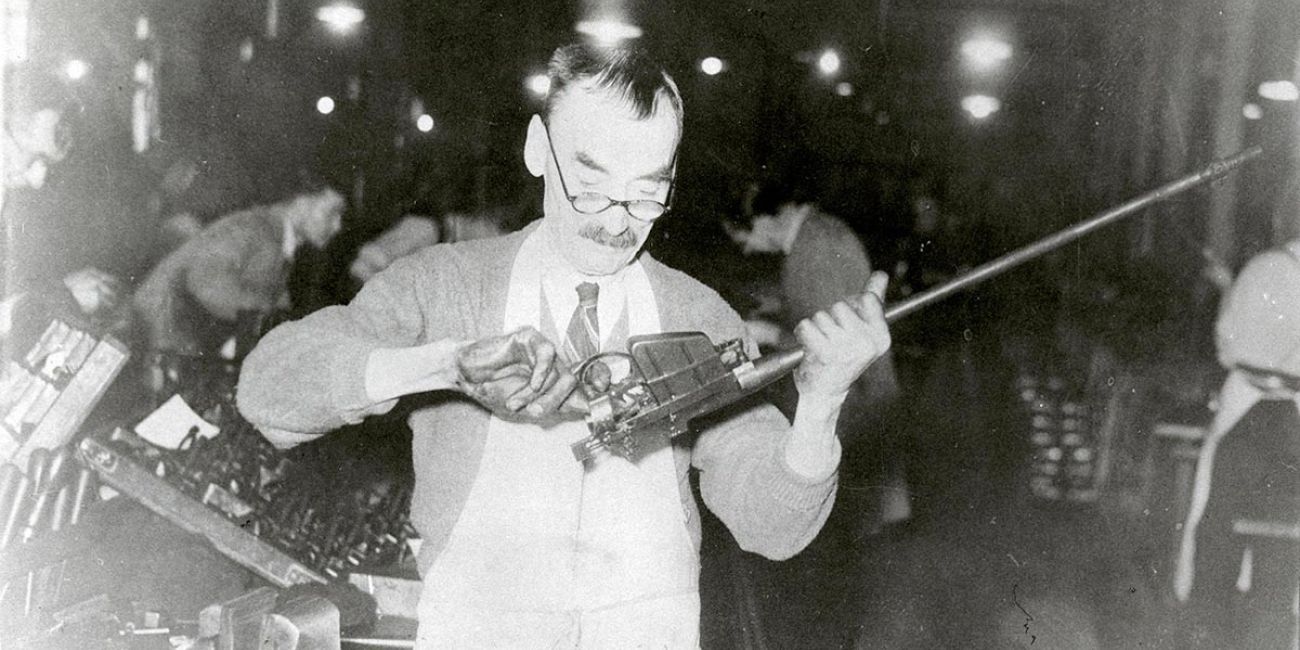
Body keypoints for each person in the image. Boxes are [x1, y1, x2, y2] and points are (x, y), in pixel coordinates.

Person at [236, 43, 892, 648]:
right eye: (592, 188)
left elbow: (774, 528)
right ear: (536, 149)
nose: (614, 222)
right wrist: (441, 365)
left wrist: (821, 404)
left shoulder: (698, 315)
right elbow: (267, 390)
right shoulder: (446, 284)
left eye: (646, 195)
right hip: (481, 630)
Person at [1175, 238, 1300, 648]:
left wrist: (1228, 287)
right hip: (1294, 421)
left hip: (1246, 407)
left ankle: (1207, 626)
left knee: (1217, 520)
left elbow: (1227, 343)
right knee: (1284, 542)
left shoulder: (1263, 267)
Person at [133, 181, 345, 360]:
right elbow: (204, 283)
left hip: (170, 341)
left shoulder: (280, 243)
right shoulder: (255, 230)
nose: (338, 226)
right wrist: (268, 320)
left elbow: (274, 306)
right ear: (301, 202)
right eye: (332, 213)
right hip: (152, 338)